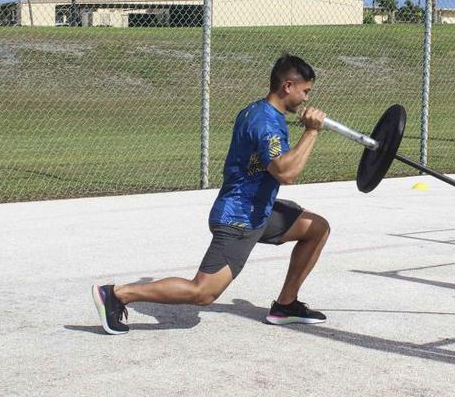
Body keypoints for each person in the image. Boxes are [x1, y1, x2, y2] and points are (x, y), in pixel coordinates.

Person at [92, 54, 330, 334]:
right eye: (305, 91)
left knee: (317, 228)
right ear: (288, 86)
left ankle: (285, 305)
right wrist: (312, 132)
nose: (305, 99)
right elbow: (286, 172)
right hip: (239, 218)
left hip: (259, 210)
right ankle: (117, 294)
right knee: (202, 293)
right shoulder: (264, 122)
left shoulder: (260, 112)